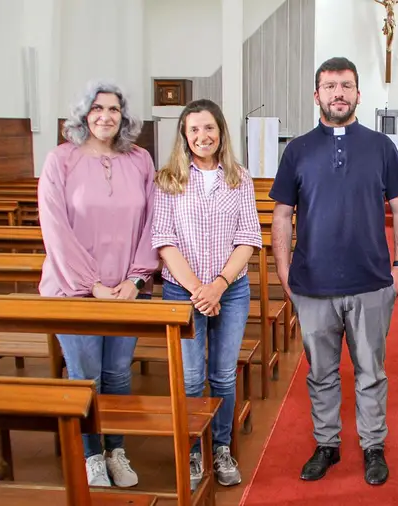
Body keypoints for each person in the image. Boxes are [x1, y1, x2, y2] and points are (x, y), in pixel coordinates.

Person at [269, 56, 398, 486]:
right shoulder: (297, 149)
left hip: (370, 282)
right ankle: (327, 445)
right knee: (321, 373)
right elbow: (282, 214)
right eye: (329, 86)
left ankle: (373, 446)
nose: (338, 93)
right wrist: (282, 270)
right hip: (313, 284)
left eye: (346, 86)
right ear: (317, 94)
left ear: (357, 94)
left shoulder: (380, 146)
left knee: (371, 371)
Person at [38, 81, 157, 488]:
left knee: (119, 373)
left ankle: (116, 450)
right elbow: (55, 230)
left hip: (126, 290)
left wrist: (137, 279)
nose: (106, 116)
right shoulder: (61, 160)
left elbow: (152, 223)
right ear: (84, 114)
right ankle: (91, 454)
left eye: (114, 109)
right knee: (85, 374)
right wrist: (93, 284)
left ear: (124, 117)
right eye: (98, 108)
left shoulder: (140, 160)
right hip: (73, 290)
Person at [152, 99, 263, 488]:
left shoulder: (239, 178)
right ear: (184, 134)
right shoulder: (168, 179)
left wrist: (218, 285)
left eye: (210, 128)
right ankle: (194, 451)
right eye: (195, 129)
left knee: (222, 376)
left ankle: (221, 447)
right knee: (191, 379)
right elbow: (164, 240)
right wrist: (198, 289)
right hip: (182, 292)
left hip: (229, 291)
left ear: (221, 132)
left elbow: (249, 238)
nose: (203, 136)